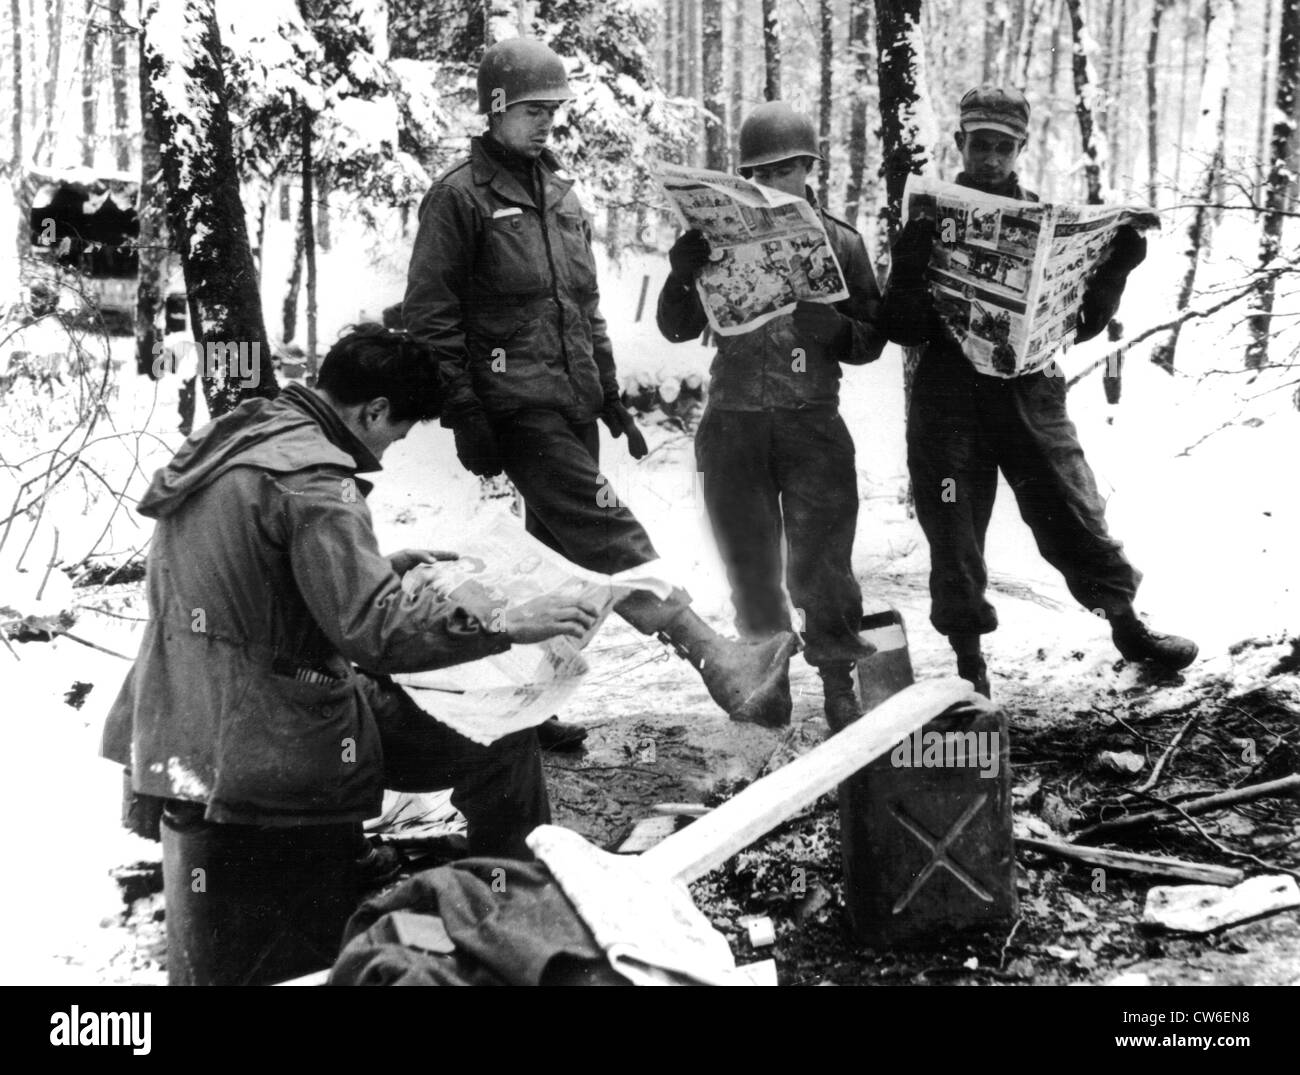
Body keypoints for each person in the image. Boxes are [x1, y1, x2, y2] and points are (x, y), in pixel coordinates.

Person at [101, 325, 601, 985]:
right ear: (372, 410)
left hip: (180, 724)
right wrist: (508, 619)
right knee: (503, 736)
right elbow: (377, 631)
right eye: (396, 432)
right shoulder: (313, 481)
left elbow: (258, 584)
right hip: (268, 740)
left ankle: (490, 905)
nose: (390, 451)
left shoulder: (245, 437)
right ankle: (511, 918)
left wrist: (381, 565)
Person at [403, 38, 797, 728]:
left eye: (553, 109)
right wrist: (465, 408)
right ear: (495, 110)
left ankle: (526, 705)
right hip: (518, 410)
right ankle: (716, 660)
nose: (547, 121)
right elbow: (432, 315)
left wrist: (610, 395)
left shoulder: (560, 194)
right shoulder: (458, 199)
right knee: (610, 531)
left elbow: (583, 305)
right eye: (532, 109)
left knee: (559, 562)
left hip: (573, 403)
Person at [880, 85, 1196, 697]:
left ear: (1021, 149)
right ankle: (969, 664)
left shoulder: (1045, 225)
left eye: (1004, 147)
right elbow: (900, 329)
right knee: (953, 528)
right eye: (980, 145)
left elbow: (1080, 325)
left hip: (1029, 394)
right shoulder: (928, 216)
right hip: (948, 399)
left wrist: (1116, 269)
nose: (991, 158)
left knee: (1073, 508)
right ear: (959, 144)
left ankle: (1127, 626)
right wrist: (912, 267)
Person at [655, 101, 887, 729]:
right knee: (750, 566)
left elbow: (872, 339)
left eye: (789, 170)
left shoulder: (840, 240)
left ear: (810, 169)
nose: (777, 182)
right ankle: (768, 680)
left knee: (824, 566)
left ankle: (840, 679)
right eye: (763, 172)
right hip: (731, 422)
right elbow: (675, 328)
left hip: (811, 421)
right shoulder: (713, 241)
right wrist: (682, 275)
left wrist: (837, 329)